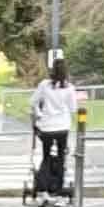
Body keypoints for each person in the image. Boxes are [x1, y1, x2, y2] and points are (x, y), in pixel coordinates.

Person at [29, 54, 75, 198]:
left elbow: (33, 101)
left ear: (52, 70)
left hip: (47, 126)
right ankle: (57, 189)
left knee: (47, 156)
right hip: (62, 126)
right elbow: (73, 108)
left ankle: (43, 187)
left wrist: (39, 114)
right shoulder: (69, 88)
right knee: (61, 157)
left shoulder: (44, 85)